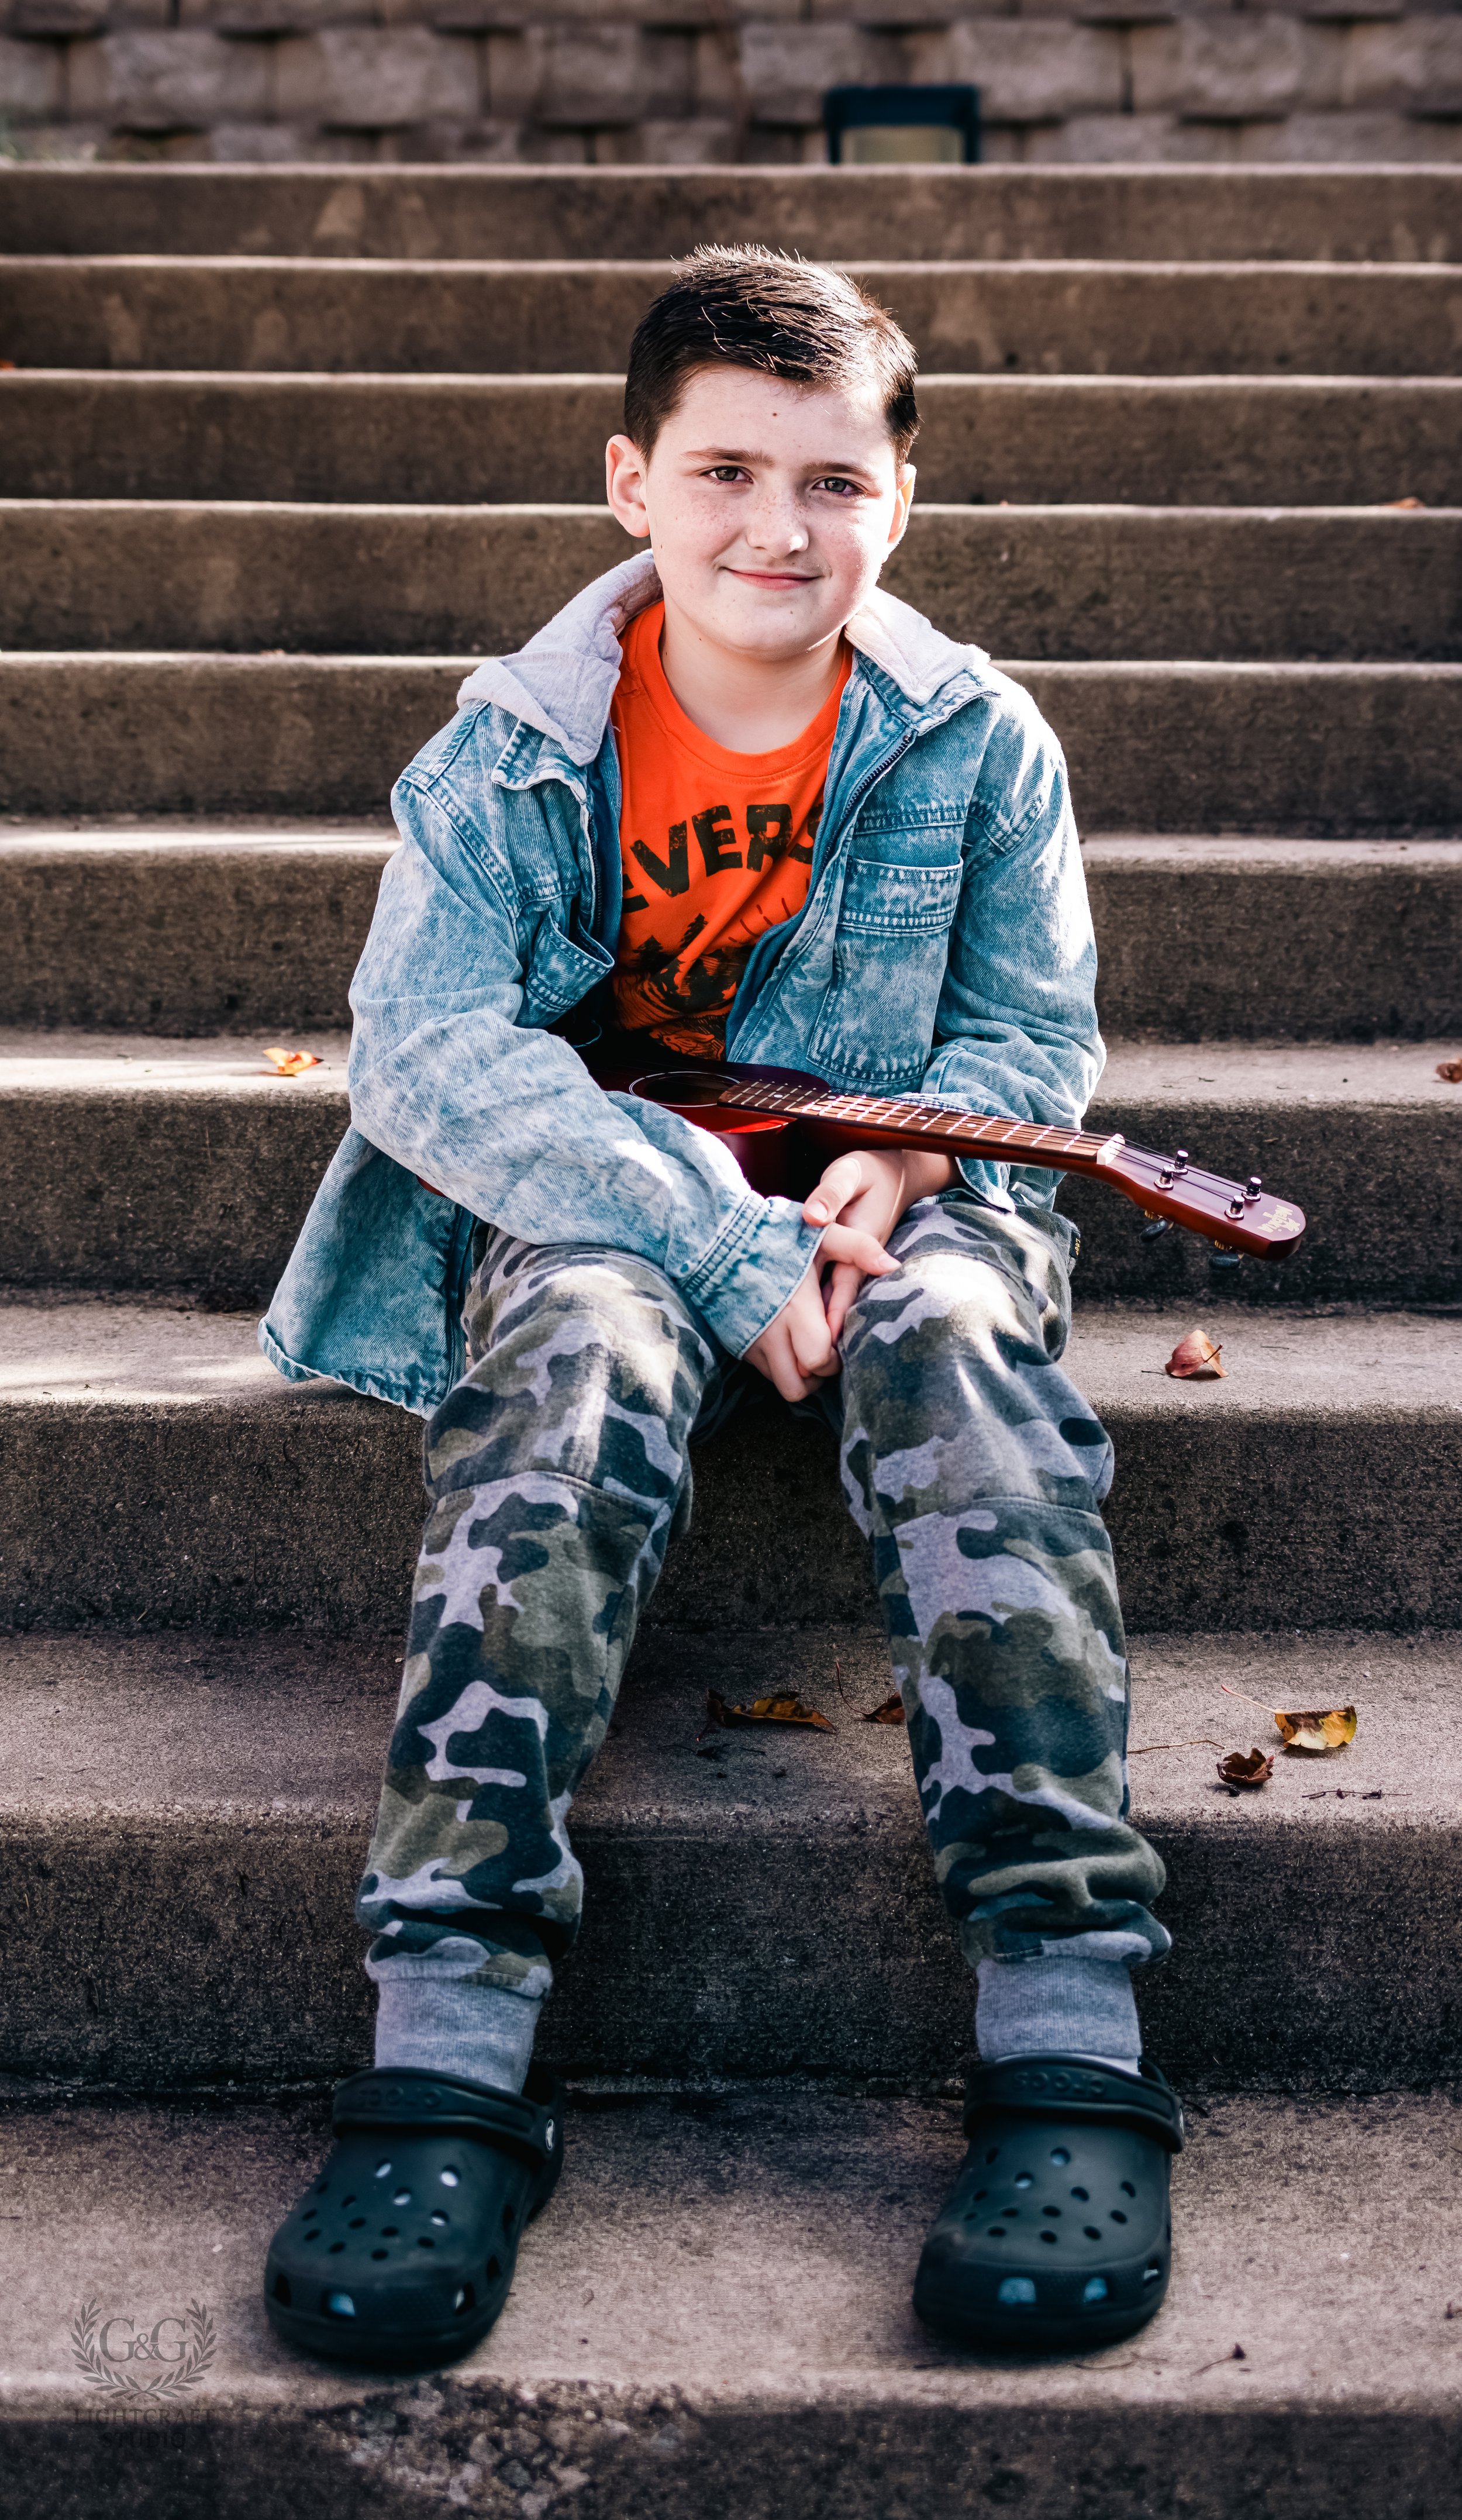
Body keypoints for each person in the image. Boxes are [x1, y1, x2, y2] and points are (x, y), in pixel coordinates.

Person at [258, 246, 1181, 2373]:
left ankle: (1065, 2035)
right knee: (575, 1349)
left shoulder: (973, 738)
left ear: (902, 501)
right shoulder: (509, 755)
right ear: (629, 484)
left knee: (952, 1345)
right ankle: (447, 2059)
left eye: (835, 482)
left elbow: (1037, 1045)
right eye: (728, 473)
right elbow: (424, 1048)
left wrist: (917, 1155)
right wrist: (722, 1231)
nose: (783, 528)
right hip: (611, 1203)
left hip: (907, 1199)